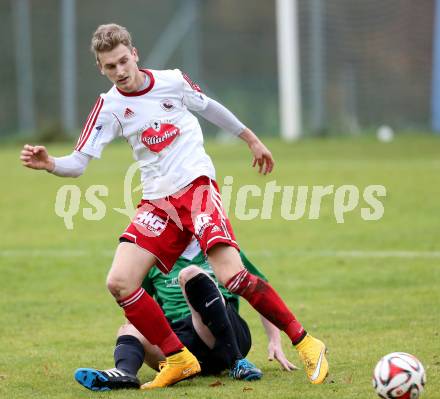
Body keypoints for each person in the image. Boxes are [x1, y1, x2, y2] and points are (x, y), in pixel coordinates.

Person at [20, 23, 329, 389]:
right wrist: (51, 163)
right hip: (158, 203)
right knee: (120, 282)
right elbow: (79, 161)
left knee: (232, 275)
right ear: (100, 69)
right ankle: (179, 358)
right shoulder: (109, 106)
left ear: (134, 54)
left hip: (196, 187)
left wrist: (251, 139)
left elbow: (211, 109)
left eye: (123, 61)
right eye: (110, 67)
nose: (120, 72)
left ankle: (306, 342)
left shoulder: (172, 81)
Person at [74, 239, 297, 391]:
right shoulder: (152, 261)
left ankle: (237, 362)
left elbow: (258, 289)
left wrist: (275, 340)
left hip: (224, 333)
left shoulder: (219, 248)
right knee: (128, 327)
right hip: (180, 344)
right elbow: (135, 306)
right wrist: (135, 342)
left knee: (190, 275)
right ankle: (123, 373)